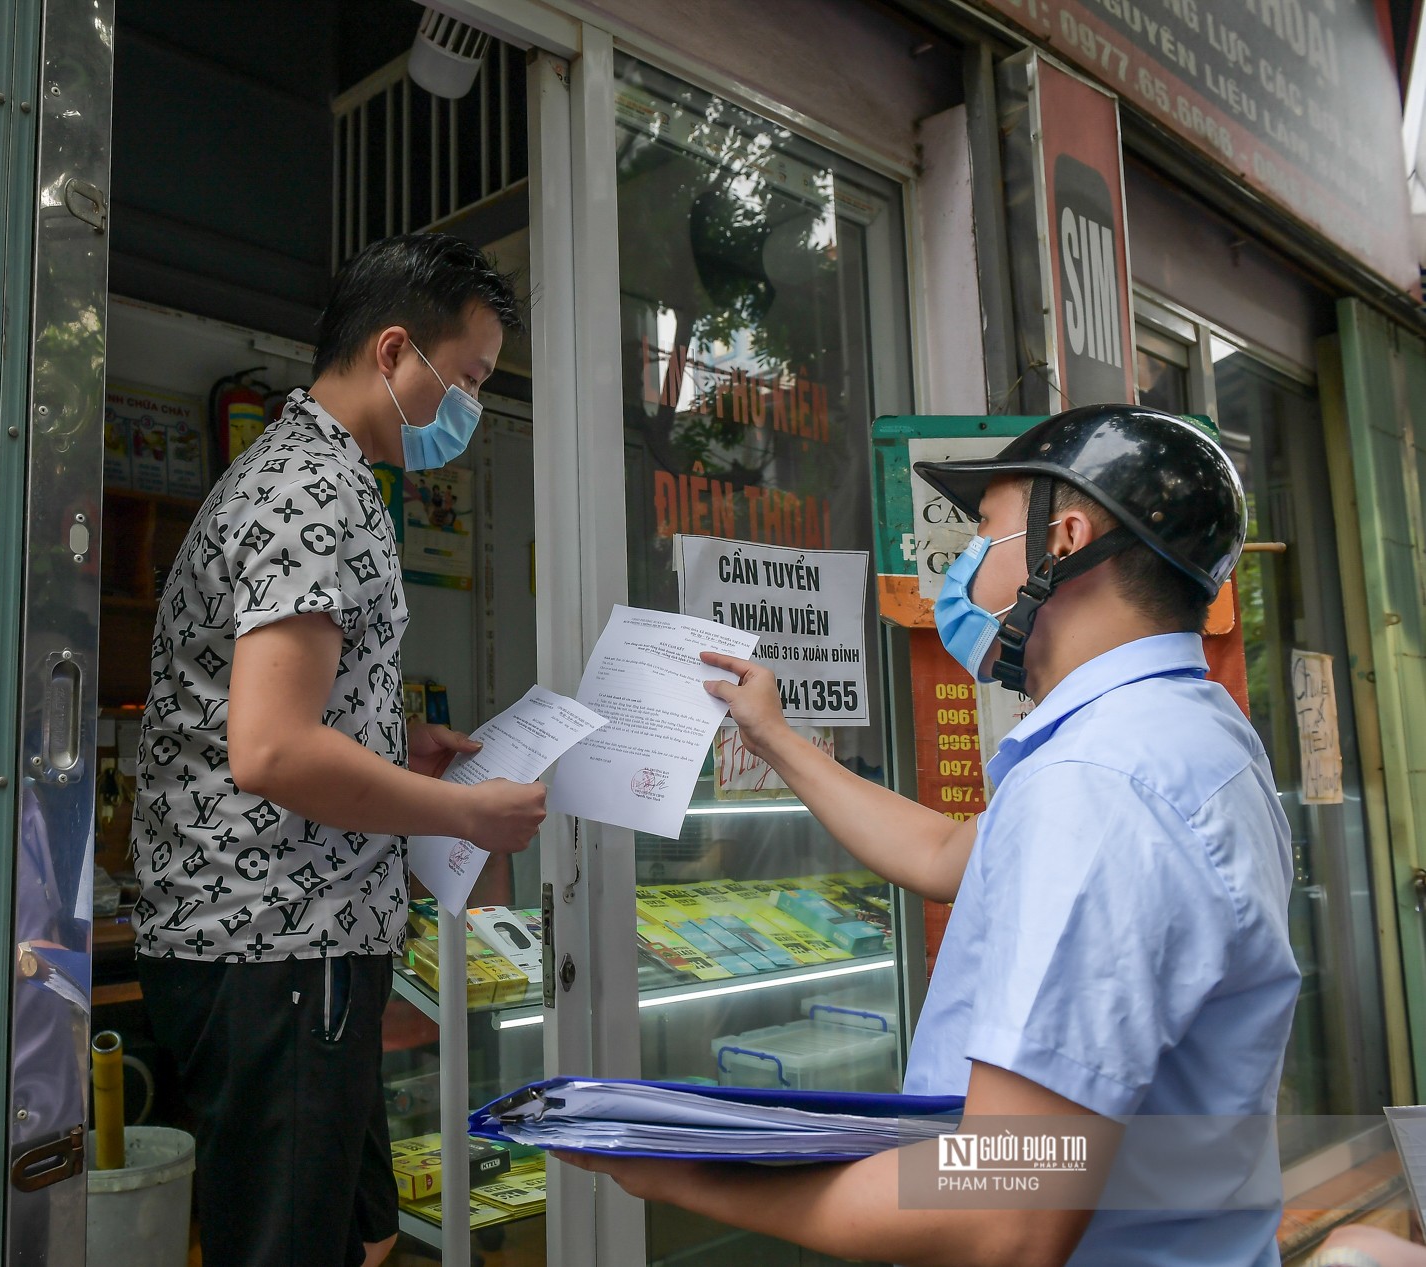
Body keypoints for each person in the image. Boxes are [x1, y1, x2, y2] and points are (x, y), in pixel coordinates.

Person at [561, 405, 1301, 1266]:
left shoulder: (1097, 787)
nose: (963, 560)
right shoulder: (1184, 736)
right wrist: (776, 738)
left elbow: (1006, 1213)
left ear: (1063, 538)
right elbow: (949, 857)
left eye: (982, 527)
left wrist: (686, 1174)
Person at [131, 232, 547, 1267]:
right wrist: (460, 812)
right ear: (395, 352)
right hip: (275, 945)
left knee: (355, 1232)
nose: (472, 408)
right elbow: (270, 750)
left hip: (292, 942)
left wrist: (397, 741)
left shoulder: (313, 475)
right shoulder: (309, 495)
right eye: (468, 379)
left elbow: (282, 708)